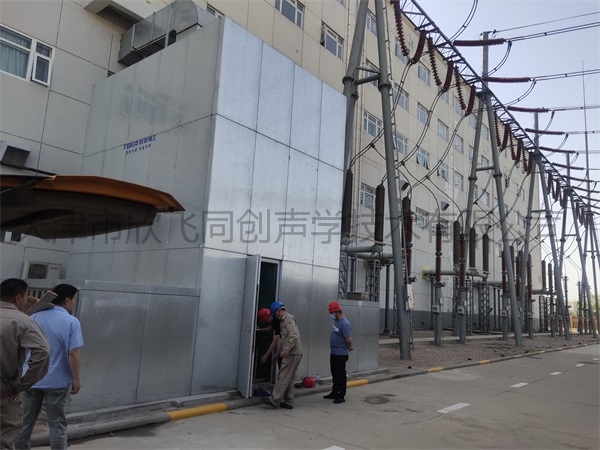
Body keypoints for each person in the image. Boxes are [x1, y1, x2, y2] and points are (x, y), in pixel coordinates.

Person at [16, 284, 84, 450]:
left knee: (25, 423)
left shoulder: (34, 317)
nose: (74, 303)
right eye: (74, 299)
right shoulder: (71, 321)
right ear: (67, 300)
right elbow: (73, 353)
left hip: (31, 378)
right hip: (58, 382)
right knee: (57, 425)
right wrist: (76, 379)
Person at [0, 278, 50, 450]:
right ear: (18, 298)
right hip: (4, 395)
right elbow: (43, 352)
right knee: (4, 440)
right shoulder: (22, 321)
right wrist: (23, 384)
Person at [261, 301, 302, 410]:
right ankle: (289, 401)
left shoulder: (288, 319)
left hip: (292, 353)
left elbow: (294, 335)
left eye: (275, 313)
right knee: (289, 378)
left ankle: (274, 400)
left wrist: (287, 349)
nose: (275, 316)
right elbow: (284, 340)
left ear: (279, 311)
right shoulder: (283, 320)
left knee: (283, 376)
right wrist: (278, 353)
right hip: (293, 352)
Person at [323, 301, 352, 404]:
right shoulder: (337, 321)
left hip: (341, 354)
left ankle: (341, 395)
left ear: (337, 312)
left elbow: (348, 339)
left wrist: (349, 347)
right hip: (334, 353)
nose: (331, 314)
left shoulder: (344, 324)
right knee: (335, 374)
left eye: (332, 312)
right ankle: (335, 392)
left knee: (340, 375)